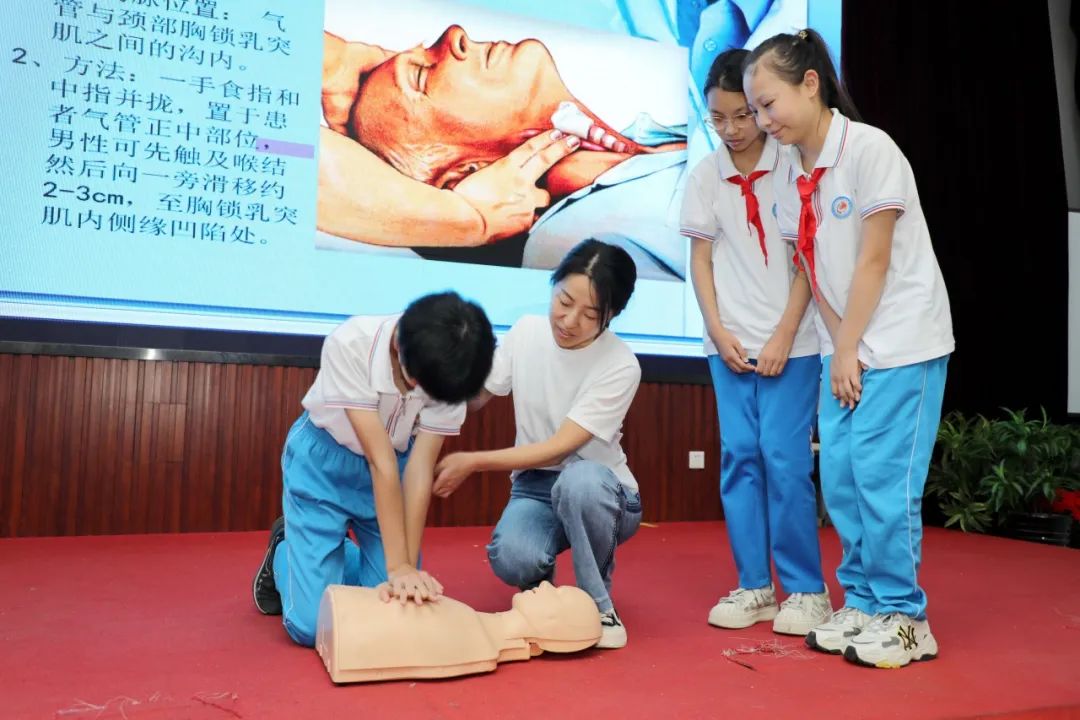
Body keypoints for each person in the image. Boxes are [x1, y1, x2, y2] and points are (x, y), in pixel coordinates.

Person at [744, 29, 955, 668]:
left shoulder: (870, 150)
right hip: (850, 343)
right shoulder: (787, 171)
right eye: (754, 109)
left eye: (768, 104)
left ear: (810, 84)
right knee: (841, 477)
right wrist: (839, 346)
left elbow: (875, 258)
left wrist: (848, 349)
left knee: (884, 482)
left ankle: (907, 616)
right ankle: (862, 599)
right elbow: (809, 261)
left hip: (901, 339)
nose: (761, 120)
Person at [321, 26, 688, 280]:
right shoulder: (576, 242)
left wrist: (342, 60)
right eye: (421, 75)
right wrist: (468, 219)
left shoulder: (663, 131)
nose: (454, 35)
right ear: (467, 175)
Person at [681, 48, 829, 636]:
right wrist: (718, 333)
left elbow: (806, 262)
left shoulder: (796, 166)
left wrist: (783, 335)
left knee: (785, 459)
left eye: (743, 115)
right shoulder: (704, 176)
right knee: (740, 455)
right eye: (719, 118)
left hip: (793, 343)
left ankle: (807, 590)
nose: (733, 129)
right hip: (730, 345)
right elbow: (700, 261)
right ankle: (754, 586)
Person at [251, 292, 497, 647]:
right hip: (324, 465)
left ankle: (326, 555)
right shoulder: (351, 343)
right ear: (398, 344)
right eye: (414, 381)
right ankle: (287, 550)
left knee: (393, 605)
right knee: (312, 626)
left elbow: (418, 468)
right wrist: (398, 568)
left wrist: (406, 567)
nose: (417, 391)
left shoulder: (457, 367)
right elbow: (377, 459)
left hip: (395, 467)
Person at [430, 239, 642, 649]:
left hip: (607, 494)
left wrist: (472, 461)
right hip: (535, 486)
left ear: (611, 315)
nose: (569, 320)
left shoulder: (620, 364)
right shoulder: (526, 331)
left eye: (590, 314)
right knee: (513, 558)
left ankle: (597, 605)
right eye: (563, 300)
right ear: (553, 284)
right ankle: (547, 597)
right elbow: (476, 397)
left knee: (578, 482)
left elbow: (559, 448)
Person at [317, 582, 601, 683]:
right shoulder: (472, 624)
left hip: (347, 623)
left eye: (560, 595)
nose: (547, 585)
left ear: (559, 635)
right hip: (345, 613)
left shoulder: (479, 644)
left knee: (306, 624)